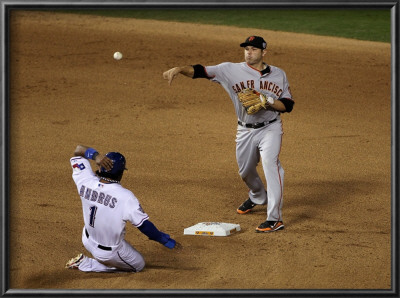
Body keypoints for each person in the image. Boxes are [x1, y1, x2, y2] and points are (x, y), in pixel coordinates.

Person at [163, 36, 294, 233]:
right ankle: (258, 196)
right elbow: (201, 71)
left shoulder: (279, 75)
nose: (249, 52)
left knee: (271, 165)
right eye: (246, 49)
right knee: (245, 171)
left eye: (254, 49)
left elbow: (287, 106)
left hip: (270, 128)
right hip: (245, 129)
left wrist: (266, 100)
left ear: (263, 53)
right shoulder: (229, 70)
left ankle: (274, 218)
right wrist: (180, 69)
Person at [65, 145, 181, 272]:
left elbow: (78, 151)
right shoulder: (125, 197)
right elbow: (144, 226)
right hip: (108, 253)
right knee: (139, 265)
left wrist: (95, 155)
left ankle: (97, 259)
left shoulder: (85, 180)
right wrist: (165, 240)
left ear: (100, 166)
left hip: (87, 239)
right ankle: (88, 264)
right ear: (121, 173)